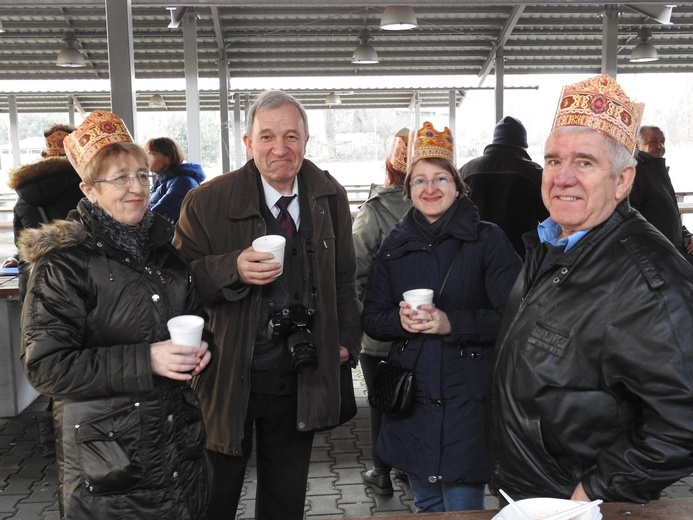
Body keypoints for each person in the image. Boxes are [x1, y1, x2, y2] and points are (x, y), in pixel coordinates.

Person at [489, 75, 693, 504]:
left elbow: (683, 420)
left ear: (622, 180)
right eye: (552, 160)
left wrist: (595, 492)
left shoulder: (647, 280)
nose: (562, 178)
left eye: (584, 162)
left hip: (575, 505)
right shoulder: (550, 242)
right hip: (528, 493)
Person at [173, 89, 362, 520]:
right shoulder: (205, 202)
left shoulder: (330, 197)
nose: (281, 149)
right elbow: (176, 285)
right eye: (267, 137)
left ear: (307, 141)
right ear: (247, 143)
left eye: (292, 136)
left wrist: (346, 340)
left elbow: (346, 278)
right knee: (213, 498)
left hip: (298, 377)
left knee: (285, 500)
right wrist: (230, 268)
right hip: (227, 375)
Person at [19, 110, 211, 520]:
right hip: (112, 468)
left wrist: (203, 347)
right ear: (89, 190)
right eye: (119, 178)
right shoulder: (62, 265)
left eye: (143, 175)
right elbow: (47, 367)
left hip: (178, 450)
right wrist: (148, 360)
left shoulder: (164, 251)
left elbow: (194, 317)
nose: (136, 188)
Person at [361, 122, 522, 512]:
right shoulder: (394, 246)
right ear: (408, 189)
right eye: (419, 180)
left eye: (439, 179)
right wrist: (399, 321)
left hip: (468, 395)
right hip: (412, 398)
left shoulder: (488, 240)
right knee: (426, 503)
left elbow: (517, 316)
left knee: (464, 505)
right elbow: (372, 319)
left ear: (457, 185)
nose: (429, 189)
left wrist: (452, 323)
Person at [353, 127, 413, 496]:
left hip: (379, 332)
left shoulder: (373, 212)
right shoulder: (435, 208)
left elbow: (354, 268)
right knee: (413, 398)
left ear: (388, 171)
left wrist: (366, 314)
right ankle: (408, 465)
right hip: (422, 328)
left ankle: (381, 471)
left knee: (381, 400)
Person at [3, 124, 83, 282]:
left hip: (36, 281)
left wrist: (16, 258)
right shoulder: (88, 189)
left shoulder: (25, 189)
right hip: (80, 280)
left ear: (45, 155)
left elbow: (22, 240)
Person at [459, 116, 548, 258]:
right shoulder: (534, 173)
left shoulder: (465, 170)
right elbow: (549, 219)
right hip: (519, 256)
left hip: (473, 254)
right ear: (522, 145)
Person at [629, 125, 693, 262]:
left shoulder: (658, 170)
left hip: (674, 250)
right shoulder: (635, 173)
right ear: (638, 145)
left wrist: (684, 234)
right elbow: (632, 219)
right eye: (653, 141)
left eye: (662, 142)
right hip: (658, 257)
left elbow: (665, 213)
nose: (660, 146)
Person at [144, 136, 206, 222]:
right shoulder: (166, 180)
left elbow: (160, 216)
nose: (147, 158)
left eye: (152, 153)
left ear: (168, 158)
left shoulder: (182, 182)